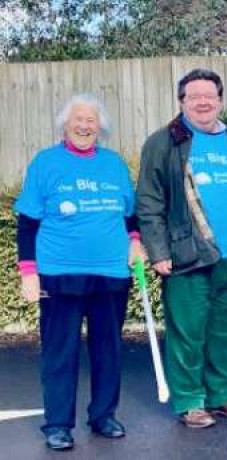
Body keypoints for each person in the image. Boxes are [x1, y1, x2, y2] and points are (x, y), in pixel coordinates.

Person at [136, 69, 227, 428]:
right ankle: (191, 400)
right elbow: (148, 201)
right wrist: (158, 250)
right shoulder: (163, 142)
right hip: (186, 254)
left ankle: (222, 394)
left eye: (210, 95)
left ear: (221, 100)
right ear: (182, 102)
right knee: (188, 331)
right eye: (195, 96)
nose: (204, 102)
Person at [16, 94, 142, 450]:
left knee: (108, 350)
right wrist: (29, 272)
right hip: (59, 273)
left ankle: (103, 415)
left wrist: (135, 240)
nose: (85, 126)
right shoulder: (46, 163)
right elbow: (27, 222)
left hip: (111, 273)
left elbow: (129, 215)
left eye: (91, 120)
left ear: (100, 127)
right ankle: (57, 424)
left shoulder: (114, 165)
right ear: (65, 125)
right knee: (60, 352)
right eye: (78, 120)